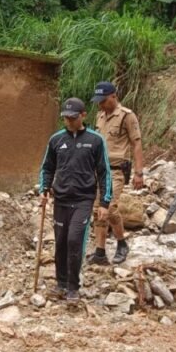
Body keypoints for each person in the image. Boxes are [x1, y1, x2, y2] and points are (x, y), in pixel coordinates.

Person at [39, 98, 112, 301]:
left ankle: (73, 286)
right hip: (60, 199)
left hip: (83, 200)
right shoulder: (56, 140)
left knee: (74, 240)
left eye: (72, 117)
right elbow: (47, 167)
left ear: (83, 115)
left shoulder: (96, 141)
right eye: (66, 118)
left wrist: (105, 203)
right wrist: (44, 188)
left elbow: (104, 172)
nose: (69, 121)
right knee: (61, 242)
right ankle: (61, 283)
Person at [87, 81, 145, 265]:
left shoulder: (127, 116)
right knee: (97, 211)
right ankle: (100, 251)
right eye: (99, 101)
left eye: (103, 100)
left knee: (110, 207)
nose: (100, 104)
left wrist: (139, 172)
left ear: (113, 96)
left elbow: (136, 143)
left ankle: (121, 243)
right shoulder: (100, 116)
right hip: (97, 171)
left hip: (116, 170)